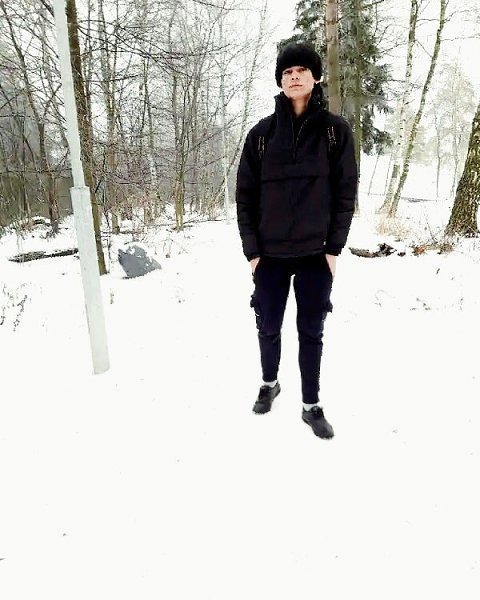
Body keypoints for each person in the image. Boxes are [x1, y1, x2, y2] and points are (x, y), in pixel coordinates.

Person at [235, 42, 357, 439]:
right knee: (267, 326)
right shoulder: (261, 135)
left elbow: (345, 194)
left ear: (315, 77)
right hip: (269, 257)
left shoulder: (335, 132)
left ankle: (311, 405)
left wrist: (333, 249)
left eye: (302, 70)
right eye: (287, 71)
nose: (294, 76)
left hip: (315, 256)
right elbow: (245, 197)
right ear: (280, 80)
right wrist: (253, 252)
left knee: (311, 332)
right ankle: (269, 383)